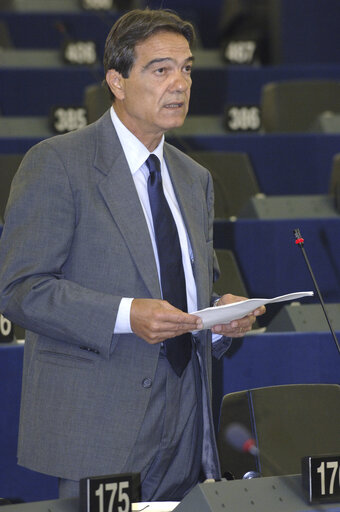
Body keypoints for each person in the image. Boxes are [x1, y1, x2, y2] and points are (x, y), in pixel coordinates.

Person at [0, 8, 265, 502]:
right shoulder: (57, 163)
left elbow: (191, 289)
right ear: (117, 81)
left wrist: (221, 318)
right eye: (160, 69)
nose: (180, 83)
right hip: (101, 417)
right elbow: (20, 289)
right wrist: (127, 315)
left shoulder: (194, 177)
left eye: (186, 68)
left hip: (188, 420)